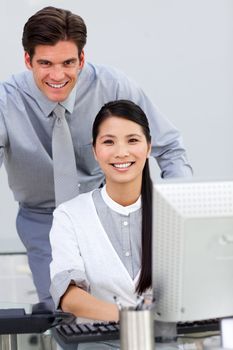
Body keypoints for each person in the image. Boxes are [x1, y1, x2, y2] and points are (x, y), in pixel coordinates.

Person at [0, 6, 192, 308]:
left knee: (143, 308)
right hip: (43, 219)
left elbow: (169, 148)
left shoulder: (113, 86)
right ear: (28, 60)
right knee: (65, 314)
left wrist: (178, 218)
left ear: (82, 59)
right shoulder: (6, 101)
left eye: (68, 63)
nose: (58, 75)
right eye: (45, 63)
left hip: (111, 212)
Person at [50, 99, 153, 348]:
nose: (121, 152)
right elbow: (69, 296)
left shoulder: (173, 210)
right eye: (108, 142)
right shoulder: (70, 215)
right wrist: (131, 319)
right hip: (98, 344)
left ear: (149, 147)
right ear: (95, 151)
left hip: (163, 343)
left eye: (132, 140)